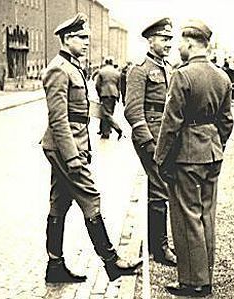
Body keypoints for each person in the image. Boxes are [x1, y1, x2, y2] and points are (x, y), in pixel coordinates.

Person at [40, 13, 141, 283]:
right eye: (81, 38)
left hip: (72, 143)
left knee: (59, 204)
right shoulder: (58, 69)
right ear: (67, 39)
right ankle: (111, 262)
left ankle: (55, 266)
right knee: (91, 197)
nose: (87, 42)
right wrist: (72, 157)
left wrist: (111, 122)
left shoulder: (72, 67)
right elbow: (58, 119)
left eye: (86, 37)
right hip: (65, 147)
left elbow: (81, 109)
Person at [154, 19, 234, 297]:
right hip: (212, 153)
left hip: (187, 155)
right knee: (206, 215)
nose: (178, 47)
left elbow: (171, 122)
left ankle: (194, 282)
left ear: (190, 44)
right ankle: (205, 276)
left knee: (187, 217)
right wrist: (214, 143)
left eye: (181, 43)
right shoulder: (222, 76)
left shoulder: (182, 75)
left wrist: (161, 158)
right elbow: (226, 122)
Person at [124, 17, 177, 266]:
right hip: (150, 136)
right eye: (164, 39)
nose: (168, 43)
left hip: (164, 134)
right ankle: (160, 247)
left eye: (170, 39)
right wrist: (147, 141)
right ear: (150, 40)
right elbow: (133, 111)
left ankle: (156, 242)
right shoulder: (140, 68)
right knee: (159, 187)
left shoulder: (167, 67)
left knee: (160, 186)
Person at [94, 56, 123, 140]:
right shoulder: (116, 72)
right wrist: (118, 95)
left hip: (105, 94)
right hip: (114, 94)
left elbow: (97, 85)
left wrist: (100, 94)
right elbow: (119, 85)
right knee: (109, 113)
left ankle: (117, 129)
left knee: (106, 114)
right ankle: (105, 131)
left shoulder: (101, 72)